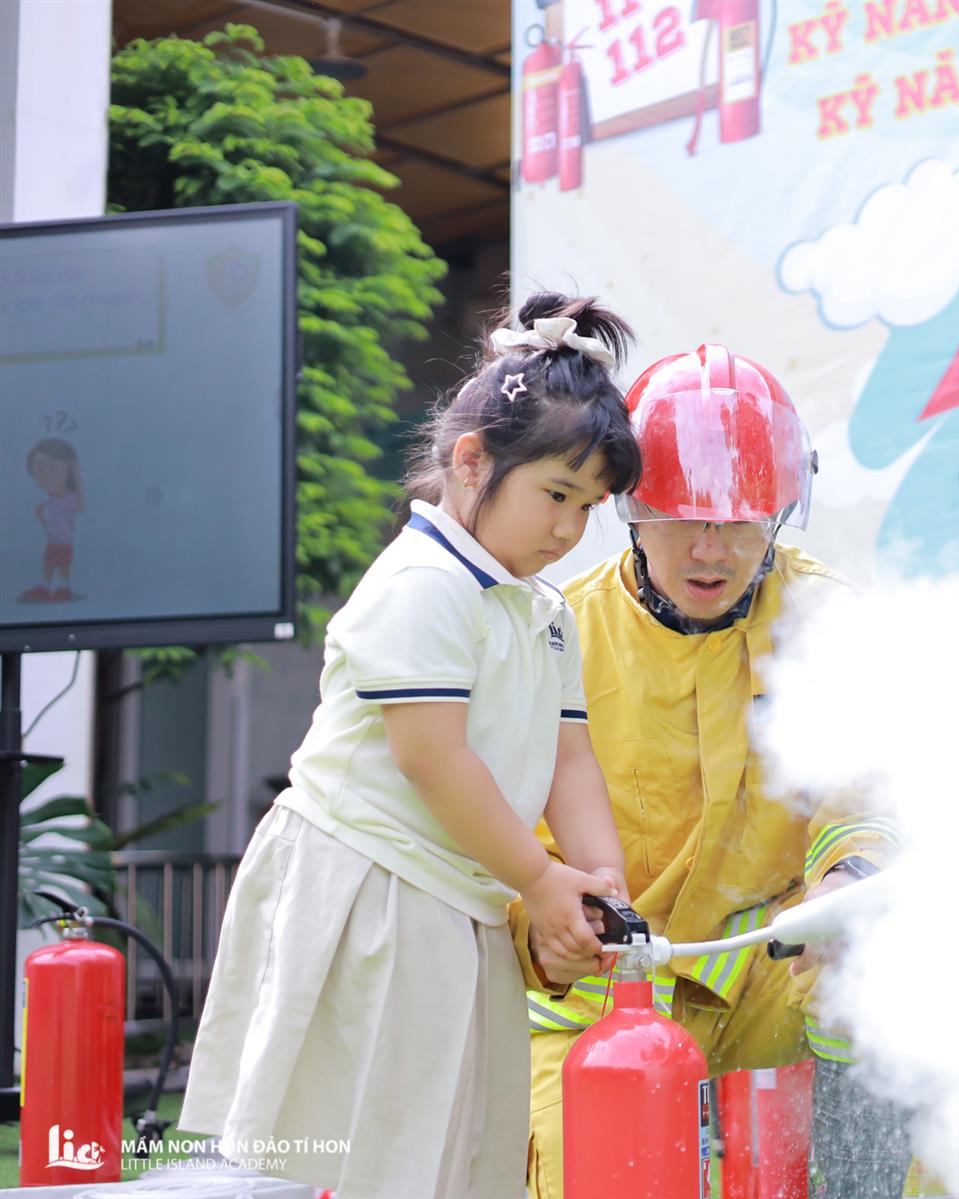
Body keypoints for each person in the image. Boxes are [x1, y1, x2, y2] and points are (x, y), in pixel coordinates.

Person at [182, 292, 642, 1198]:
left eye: (588, 505)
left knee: (451, 1155)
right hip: (370, 885)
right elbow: (432, 756)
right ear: (471, 461)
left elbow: (570, 757)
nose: (567, 528)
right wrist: (540, 880)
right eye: (556, 493)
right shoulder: (424, 582)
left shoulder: (545, 609)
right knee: (370, 1155)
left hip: (461, 893)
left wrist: (600, 882)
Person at [513, 343, 913, 1199]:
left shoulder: (829, 622)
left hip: (770, 970)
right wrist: (542, 924)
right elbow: (506, 842)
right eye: (683, 518)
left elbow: (868, 801)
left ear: (778, 514)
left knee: (886, 975)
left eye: (739, 521)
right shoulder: (557, 635)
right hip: (603, 994)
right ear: (633, 507)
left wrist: (846, 886)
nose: (711, 549)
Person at [21, 436, 83, 603]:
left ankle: (64, 589)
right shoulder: (51, 497)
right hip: (55, 539)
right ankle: (47, 588)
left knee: (62, 566)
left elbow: (79, 507)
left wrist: (78, 476)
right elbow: (38, 511)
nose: (45, 475)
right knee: (49, 564)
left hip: (64, 540)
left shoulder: (70, 497)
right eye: (39, 470)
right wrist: (46, 526)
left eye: (52, 467)